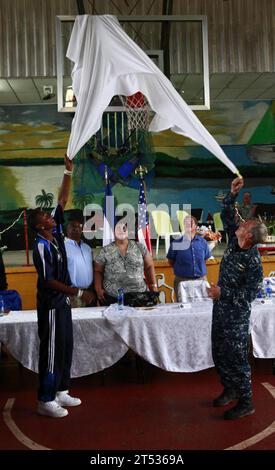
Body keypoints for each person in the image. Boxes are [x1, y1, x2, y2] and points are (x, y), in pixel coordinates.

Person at [29, 155, 94, 418]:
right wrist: (78, 291)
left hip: (62, 303)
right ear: (38, 225)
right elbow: (48, 281)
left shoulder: (54, 236)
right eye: (46, 217)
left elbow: (62, 200)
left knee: (66, 346)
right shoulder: (41, 247)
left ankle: (61, 391)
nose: (51, 217)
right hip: (51, 306)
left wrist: (68, 172)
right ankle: (45, 399)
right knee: (52, 350)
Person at [207, 177, 268, 420]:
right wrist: (232, 194)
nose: (240, 225)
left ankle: (246, 401)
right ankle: (230, 389)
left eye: (245, 225)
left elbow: (248, 296)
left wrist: (224, 293)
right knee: (219, 352)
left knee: (237, 358)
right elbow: (228, 214)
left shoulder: (254, 263)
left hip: (236, 317)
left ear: (250, 237)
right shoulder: (235, 240)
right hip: (220, 310)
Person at [94, 220, 158, 305]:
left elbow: (149, 266)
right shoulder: (105, 250)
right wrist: (98, 289)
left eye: (124, 228)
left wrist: (153, 285)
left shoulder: (140, 247)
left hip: (139, 296)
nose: (121, 231)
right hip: (113, 297)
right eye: (118, 229)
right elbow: (98, 271)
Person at [167, 215, 211, 301]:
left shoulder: (203, 242)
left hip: (201, 280)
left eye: (191, 222)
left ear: (196, 226)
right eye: (186, 223)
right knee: (183, 308)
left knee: (203, 308)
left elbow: (204, 259)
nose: (188, 224)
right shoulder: (176, 243)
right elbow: (171, 261)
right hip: (182, 281)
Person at [65, 220, 97, 307]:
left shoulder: (87, 248)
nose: (76, 229)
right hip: (73, 294)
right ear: (67, 230)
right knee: (74, 320)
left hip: (90, 293)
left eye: (78, 226)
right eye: (73, 226)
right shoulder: (63, 248)